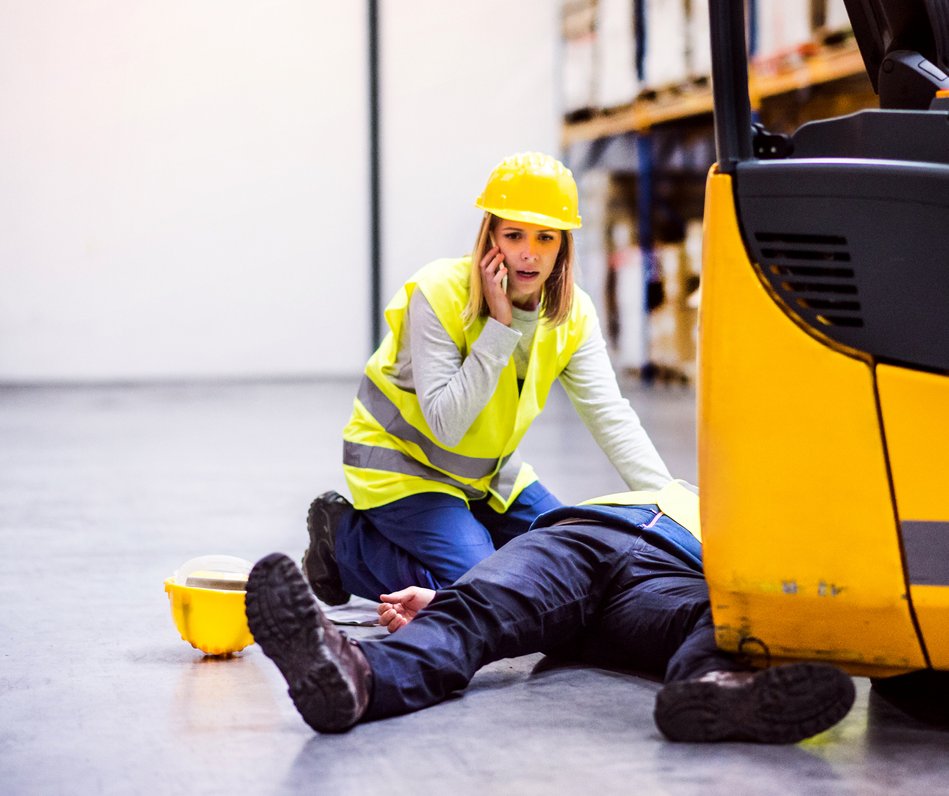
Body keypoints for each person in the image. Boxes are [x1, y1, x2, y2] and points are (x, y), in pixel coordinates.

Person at [304, 152, 673, 605]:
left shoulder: (573, 312)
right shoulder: (439, 292)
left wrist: (670, 504)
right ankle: (344, 545)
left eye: (545, 237)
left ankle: (477, 549)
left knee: (576, 558)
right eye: (514, 234)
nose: (529, 253)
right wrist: (499, 329)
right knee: (485, 593)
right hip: (403, 468)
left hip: (487, 475)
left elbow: (610, 415)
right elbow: (446, 423)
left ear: (563, 247)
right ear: (490, 235)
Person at [246, 483, 857, 743]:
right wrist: (444, 592)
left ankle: (710, 691)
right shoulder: (661, 491)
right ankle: (356, 677)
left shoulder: (736, 506)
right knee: (474, 608)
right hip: (582, 537)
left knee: (723, 617)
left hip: (673, 572)